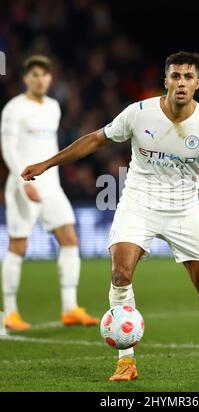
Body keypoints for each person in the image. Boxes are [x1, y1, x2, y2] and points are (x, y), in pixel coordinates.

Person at [21, 51, 199, 379]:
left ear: (197, 84)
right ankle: (126, 359)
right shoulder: (139, 113)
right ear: (165, 81)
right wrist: (47, 163)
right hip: (138, 203)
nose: (181, 82)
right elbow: (96, 139)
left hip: (183, 210)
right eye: (175, 76)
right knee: (120, 272)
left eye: (188, 77)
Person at [1, 55, 99, 330]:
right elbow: (8, 148)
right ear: (25, 79)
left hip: (51, 185)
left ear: (50, 78)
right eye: (34, 75)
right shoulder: (14, 109)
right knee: (18, 245)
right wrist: (24, 182)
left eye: (44, 75)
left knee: (69, 238)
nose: (40, 79)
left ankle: (70, 308)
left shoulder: (54, 107)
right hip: (24, 184)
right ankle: (9, 311)